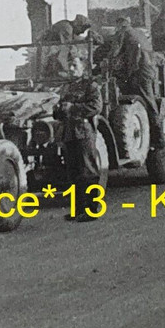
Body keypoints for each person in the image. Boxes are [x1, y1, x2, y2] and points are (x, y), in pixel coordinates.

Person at [54, 53, 103, 222]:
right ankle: (77, 210)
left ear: (84, 68)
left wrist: (73, 107)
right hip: (68, 132)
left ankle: (91, 210)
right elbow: (59, 112)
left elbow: (96, 106)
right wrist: (58, 109)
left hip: (84, 131)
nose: (71, 68)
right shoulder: (66, 87)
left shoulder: (90, 85)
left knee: (87, 171)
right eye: (69, 65)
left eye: (75, 65)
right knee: (73, 172)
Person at [108, 18, 165, 148]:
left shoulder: (123, 33)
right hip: (149, 70)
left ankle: (158, 138)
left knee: (147, 101)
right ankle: (156, 136)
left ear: (119, 25)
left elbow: (114, 53)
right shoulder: (139, 33)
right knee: (149, 100)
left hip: (140, 72)